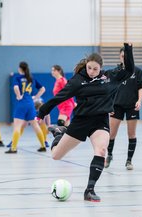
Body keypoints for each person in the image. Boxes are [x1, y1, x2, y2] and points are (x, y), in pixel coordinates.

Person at [37, 43, 134, 202]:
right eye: (89, 68)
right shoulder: (78, 80)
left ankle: (89, 190)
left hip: (100, 121)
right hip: (81, 121)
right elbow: (59, 97)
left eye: (95, 69)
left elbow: (129, 70)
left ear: (101, 68)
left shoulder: (110, 77)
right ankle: (58, 133)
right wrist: (42, 112)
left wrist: (128, 50)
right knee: (56, 155)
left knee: (101, 151)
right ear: (86, 66)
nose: (91, 72)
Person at [105, 48, 142, 170]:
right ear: (120, 57)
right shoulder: (115, 72)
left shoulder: (137, 71)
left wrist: (139, 101)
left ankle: (129, 160)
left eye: (126, 56)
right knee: (111, 133)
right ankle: (109, 155)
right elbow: (108, 89)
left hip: (131, 106)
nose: (124, 58)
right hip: (116, 105)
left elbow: (141, 87)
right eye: (122, 56)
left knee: (131, 134)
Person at [5, 61, 46, 153]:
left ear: (20, 68)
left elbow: (15, 88)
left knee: (17, 127)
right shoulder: (31, 78)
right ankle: (43, 146)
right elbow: (43, 89)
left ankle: (13, 148)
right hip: (30, 104)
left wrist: (18, 95)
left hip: (21, 104)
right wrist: (36, 97)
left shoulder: (18, 78)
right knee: (35, 125)